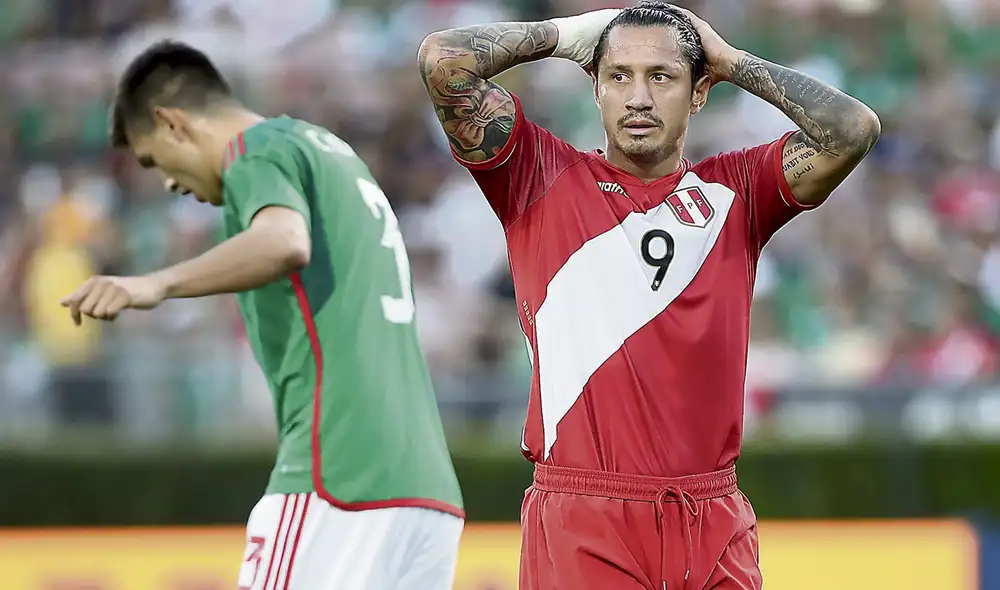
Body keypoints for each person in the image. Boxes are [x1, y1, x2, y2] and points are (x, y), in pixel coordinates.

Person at [418, 2, 880, 589]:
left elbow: (853, 130)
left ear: (699, 92)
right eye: (619, 76)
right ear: (596, 88)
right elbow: (444, 60)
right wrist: (566, 36)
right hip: (584, 518)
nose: (638, 96)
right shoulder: (537, 176)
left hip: (712, 520)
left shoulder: (738, 191)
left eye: (661, 76)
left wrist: (731, 60)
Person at [62, 40, 464, 590]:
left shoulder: (258, 148)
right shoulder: (333, 155)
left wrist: (155, 283)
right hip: (425, 492)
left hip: (338, 479)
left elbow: (282, 241)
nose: (170, 184)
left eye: (155, 160)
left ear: (171, 122)